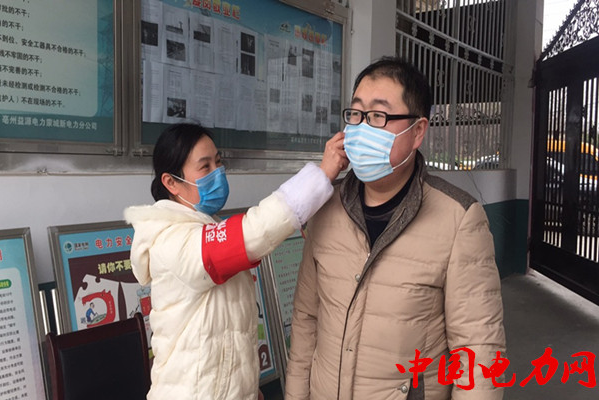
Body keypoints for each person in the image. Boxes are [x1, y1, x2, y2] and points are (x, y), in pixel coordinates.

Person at [285, 57, 506, 400]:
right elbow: (306, 320)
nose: (362, 128)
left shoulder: (459, 219)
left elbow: (478, 350)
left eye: (378, 116)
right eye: (356, 114)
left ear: (417, 131)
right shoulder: (325, 208)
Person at [124, 122, 348, 400]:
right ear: (171, 182)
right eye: (205, 167)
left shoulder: (205, 227)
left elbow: (226, 331)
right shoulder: (171, 242)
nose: (217, 172)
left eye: (218, 162)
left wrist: (246, 388)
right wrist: (322, 174)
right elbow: (255, 232)